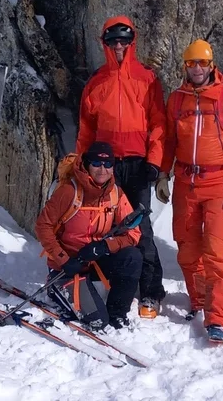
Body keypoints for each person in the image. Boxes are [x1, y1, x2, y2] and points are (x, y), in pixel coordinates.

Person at [154, 39, 223, 345]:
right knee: (186, 246)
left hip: (218, 184)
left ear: (211, 66)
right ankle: (199, 300)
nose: (196, 69)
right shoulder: (177, 100)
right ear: (185, 66)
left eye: (202, 63)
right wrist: (163, 173)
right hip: (185, 181)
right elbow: (169, 140)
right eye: (191, 63)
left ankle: (218, 317)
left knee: (215, 253)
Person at [76, 16, 168, 318]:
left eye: (124, 40)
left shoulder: (146, 78)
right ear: (104, 43)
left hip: (138, 165)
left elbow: (158, 123)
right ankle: (111, 281)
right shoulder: (96, 82)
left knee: (140, 228)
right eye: (113, 40)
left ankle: (151, 291)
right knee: (102, 226)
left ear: (132, 42)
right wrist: (81, 165)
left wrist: (154, 162)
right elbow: (86, 130)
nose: (118, 46)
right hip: (106, 168)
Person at [35, 142, 143, 330]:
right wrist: (63, 259)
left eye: (108, 164)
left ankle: (117, 313)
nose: (103, 170)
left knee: (132, 257)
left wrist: (105, 246)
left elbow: (134, 233)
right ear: (86, 165)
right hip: (68, 265)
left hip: (96, 260)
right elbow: (43, 226)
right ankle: (56, 288)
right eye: (97, 164)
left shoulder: (115, 194)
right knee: (97, 321)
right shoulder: (69, 191)